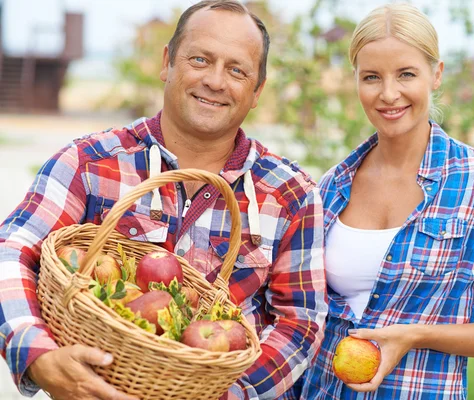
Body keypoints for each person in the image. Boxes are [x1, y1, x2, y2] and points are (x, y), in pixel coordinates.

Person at [0, 1, 327, 399]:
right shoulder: (89, 163)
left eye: (237, 70)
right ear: (167, 62)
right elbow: (12, 251)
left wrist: (222, 394)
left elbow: (300, 321)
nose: (216, 81)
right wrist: (38, 356)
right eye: (200, 59)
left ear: (257, 90)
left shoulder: (290, 194)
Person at [297, 3, 474, 399]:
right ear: (355, 81)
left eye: (406, 74)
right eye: (371, 77)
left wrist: (416, 335)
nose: (388, 94)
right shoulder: (332, 186)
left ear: (436, 75)